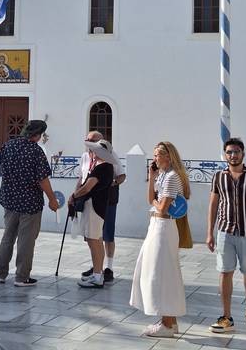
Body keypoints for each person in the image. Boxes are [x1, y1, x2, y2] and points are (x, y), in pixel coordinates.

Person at [206, 138, 246, 333]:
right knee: (225, 272)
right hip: (225, 231)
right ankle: (226, 316)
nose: (233, 155)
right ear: (225, 155)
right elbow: (213, 205)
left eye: (236, 152)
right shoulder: (218, 177)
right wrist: (210, 233)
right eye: (229, 152)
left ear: (243, 154)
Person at [130, 141, 190, 338]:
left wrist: (157, 203)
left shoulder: (172, 177)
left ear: (168, 156)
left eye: (157, 155)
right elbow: (151, 200)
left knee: (161, 273)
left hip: (163, 226)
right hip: (156, 225)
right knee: (158, 270)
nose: (154, 158)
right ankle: (170, 322)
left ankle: (166, 323)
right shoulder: (163, 175)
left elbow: (162, 207)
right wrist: (151, 178)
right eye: (154, 155)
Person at [0, 120, 59, 287]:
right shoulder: (35, 151)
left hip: (10, 199)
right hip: (30, 202)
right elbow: (42, 179)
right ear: (37, 135)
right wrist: (52, 199)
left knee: (8, 236)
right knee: (26, 240)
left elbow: (2, 167)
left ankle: (0, 274)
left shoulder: (8, 146)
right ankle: (22, 277)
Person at [77, 131, 126, 283]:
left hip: (107, 198)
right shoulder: (85, 156)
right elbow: (82, 177)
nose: (89, 143)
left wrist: (109, 183)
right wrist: (76, 193)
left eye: (93, 141)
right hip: (89, 198)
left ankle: (108, 268)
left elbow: (121, 176)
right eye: (88, 140)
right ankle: (97, 267)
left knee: (107, 234)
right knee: (92, 235)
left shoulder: (110, 155)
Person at [68, 139, 114, 288]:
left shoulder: (101, 168)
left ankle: (97, 277)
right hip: (97, 207)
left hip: (94, 207)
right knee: (96, 240)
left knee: (93, 240)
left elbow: (88, 187)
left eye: (94, 150)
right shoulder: (105, 167)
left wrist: (74, 196)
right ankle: (97, 274)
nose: (91, 153)